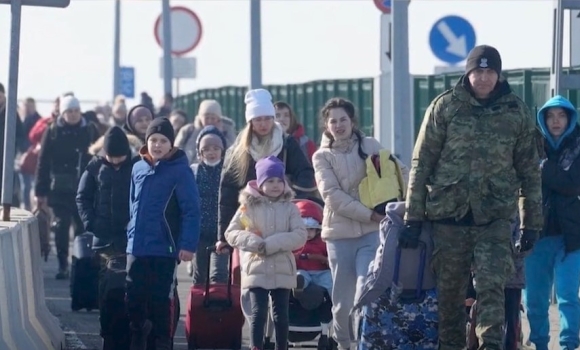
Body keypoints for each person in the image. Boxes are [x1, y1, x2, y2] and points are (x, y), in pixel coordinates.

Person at [402, 45, 543, 350]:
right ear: (467, 73)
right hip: (448, 217)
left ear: (498, 74)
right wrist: (413, 216)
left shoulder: (516, 111)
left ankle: (490, 345)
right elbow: (421, 162)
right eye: (477, 71)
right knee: (451, 298)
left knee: (492, 288)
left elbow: (530, 172)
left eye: (490, 71)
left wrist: (531, 223)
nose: (483, 78)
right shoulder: (445, 107)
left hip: (494, 218)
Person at [312, 97, 408, 350]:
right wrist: (369, 214)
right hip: (339, 236)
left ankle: (365, 344)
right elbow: (332, 196)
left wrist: (415, 198)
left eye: (343, 119)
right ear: (326, 125)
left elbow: (400, 172)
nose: (339, 125)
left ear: (352, 121)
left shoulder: (370, 145)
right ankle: (344, 344)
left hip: (371, 234)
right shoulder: (321, 157)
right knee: (342, 303)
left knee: (365, 291)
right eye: (333, 121)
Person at [125, 117, 200, 350]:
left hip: (165, 249)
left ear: (171, 144)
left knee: (161, 302)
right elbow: (132, 204)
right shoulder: (137, 167)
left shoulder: (180, 172)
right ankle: (138, 336)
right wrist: (129, 233)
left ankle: (162, 343)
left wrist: (187, 244)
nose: (157, 145)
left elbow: (191, 210)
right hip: (136, 247)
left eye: (162, 140)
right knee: (133, 298)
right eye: (153, 140)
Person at [216, 89, 316, 253]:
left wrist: (291, 200)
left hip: (281, 222)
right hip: (250, 224)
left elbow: (305, 174)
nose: (263, 124)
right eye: (258, 119)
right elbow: (227, 193)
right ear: (250, 122)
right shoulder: (239, 151)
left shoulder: (286, 144)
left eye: (268, 119)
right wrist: (223, 237)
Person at [225, 156, 307, 350]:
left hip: (282, 267)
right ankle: (256, 346)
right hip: (256, 266)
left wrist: (273, 243)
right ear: (260, 183)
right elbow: (231, 232)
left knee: (281, 315)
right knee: (258, 312)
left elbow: (300, 235)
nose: (276, 185)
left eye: (279, 180)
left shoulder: (290, 208)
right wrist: (253, 242)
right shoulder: (248, 207)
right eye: (270, 181)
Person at [524, 95, 580, 350]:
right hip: (537, 234)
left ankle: (569, 345)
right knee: (535, 297)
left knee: (568, 296)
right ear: (543, 119)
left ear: (570, 118)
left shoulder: (578, 144)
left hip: (572, 236)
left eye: (561, 116)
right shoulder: (532, 146)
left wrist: (544, 169)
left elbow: (572, 185)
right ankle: (539, 344)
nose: (556, 121)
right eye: (550, 116)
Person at [76, 126, 138, 349]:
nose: (115, 161)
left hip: (130, 238)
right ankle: (108, 333)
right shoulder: (94, 167)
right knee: (106, 288)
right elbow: (82, 197)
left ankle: (127, 334)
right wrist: (91, 223)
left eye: (119, 156)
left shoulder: (137, 166)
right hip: (103, 240)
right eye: (110, 157)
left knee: (127, 288)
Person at [35, 95, 100, 279]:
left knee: (82, 228)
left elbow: (100, 157)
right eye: (69, 111)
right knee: (61, 226)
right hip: (59, 190)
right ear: (62, 113)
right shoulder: (53, 130)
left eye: (76, 111)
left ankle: (80, 263)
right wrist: (40, 191)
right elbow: (43, 161)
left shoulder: (89, 129)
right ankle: (63, 264)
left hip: (84, 188)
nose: (73, 115)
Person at [186, 125, 228, 284]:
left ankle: (219, 306)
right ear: (200, 152)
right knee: (200, 276)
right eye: (206, 149)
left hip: (222, 233)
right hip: (200, 233)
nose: (211, 152)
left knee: (220, 275)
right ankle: (199, 306)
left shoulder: (228, 172)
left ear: (222, 151)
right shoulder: (194, 171)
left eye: (216, 148)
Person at [174, 99, 237, 164]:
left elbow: (233, 152)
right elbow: (176, 151)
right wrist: (197, 131)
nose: (209, 121)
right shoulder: (188, 130)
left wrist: (220, 133)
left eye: (213, 118)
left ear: (218, 119)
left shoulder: (227, 130)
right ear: (200, 118)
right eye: (206, 118)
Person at [292, 199, 332, 297]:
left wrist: (326, 260)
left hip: (320, 271)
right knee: (299, 275)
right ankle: (298, 287)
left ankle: (336, 302)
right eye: (304, 229)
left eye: (311, 229)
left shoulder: (322, 242)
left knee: (330, 279)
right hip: (302, 270)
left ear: (317, 230)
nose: (308, 233)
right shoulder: (294, 243)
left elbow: (329, 256)